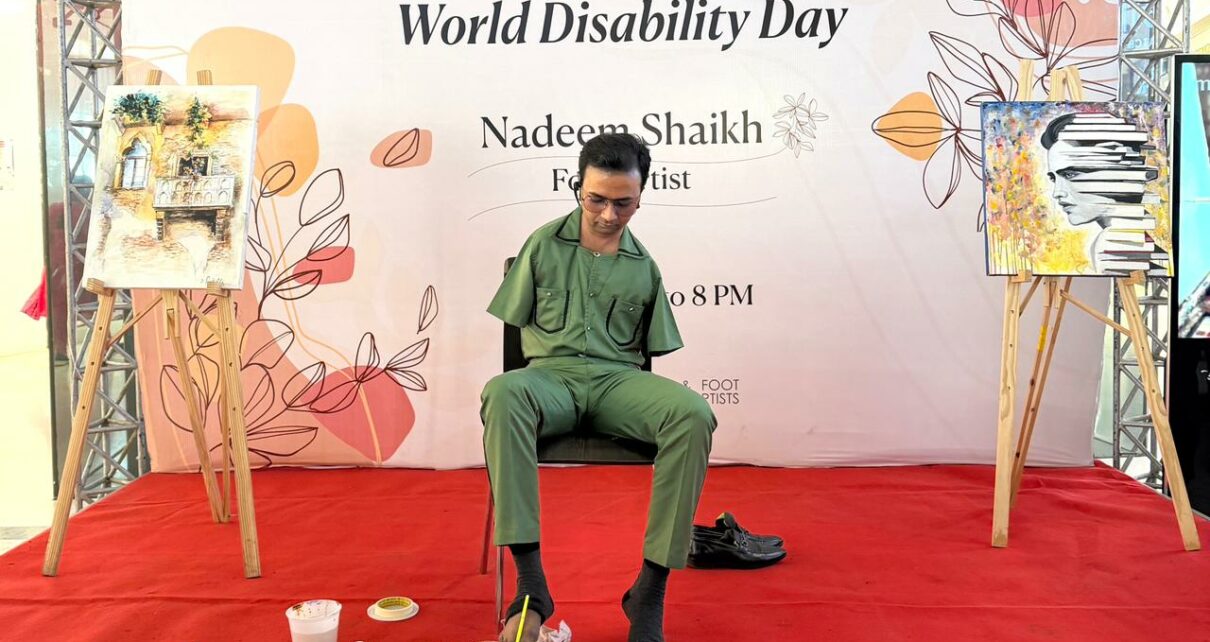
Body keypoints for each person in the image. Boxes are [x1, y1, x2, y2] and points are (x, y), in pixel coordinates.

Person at [481, 133, 716, 642]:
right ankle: (531, 585)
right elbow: (514, 328)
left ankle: (649, 593)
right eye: (597, 199)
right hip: (550, 379)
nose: (609, 214)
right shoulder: (542, 244)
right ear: (578, 188)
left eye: (623, 203)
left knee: (693, 414)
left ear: (641, 197)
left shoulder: (644, 267)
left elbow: (651, 352)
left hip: (617, 383)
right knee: (503, 392)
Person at [1040, 111, 1163, 273]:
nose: (1057, 193)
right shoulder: (1137, 233)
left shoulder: (1112, 246)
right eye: (1054, 179)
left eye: (1070, 174)